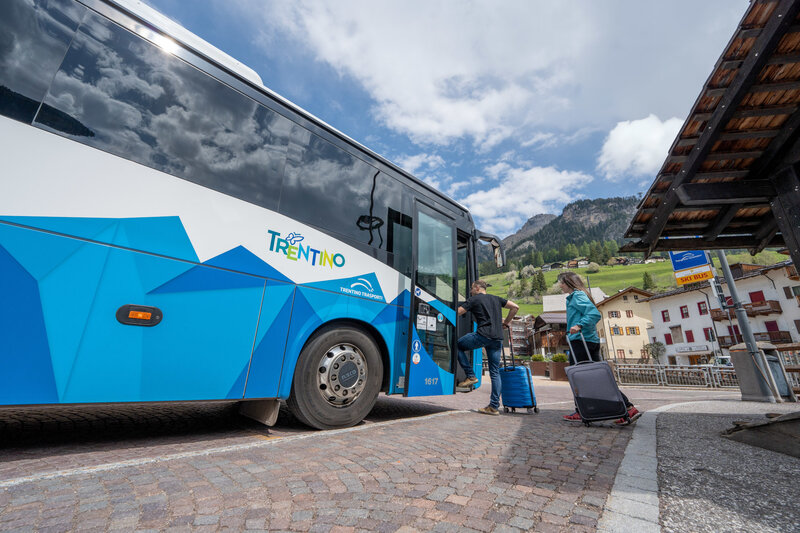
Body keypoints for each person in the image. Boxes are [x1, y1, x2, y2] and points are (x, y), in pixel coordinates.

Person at [557, 272, 642, 425]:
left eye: (561, 282)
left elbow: (594, 314)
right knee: (598, 378)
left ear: (568, 283)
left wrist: (579, 325)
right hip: (588, 341)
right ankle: (625, 408)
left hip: (582, 342)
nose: (560, 285)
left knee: (580, 378)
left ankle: (583, 410)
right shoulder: (578, 295)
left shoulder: (577, 296)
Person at [456, 280, 519, 416]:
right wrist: (506, 322)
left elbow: (458, 312)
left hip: (483, 335)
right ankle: (494, 406)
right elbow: (515, 307)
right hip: (497, 338)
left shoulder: (474, 299)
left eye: (472, 288)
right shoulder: (496, 299)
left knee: (457, 345)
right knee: (495, 373)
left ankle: (471, 376)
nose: (471, 291)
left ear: (477, 288)